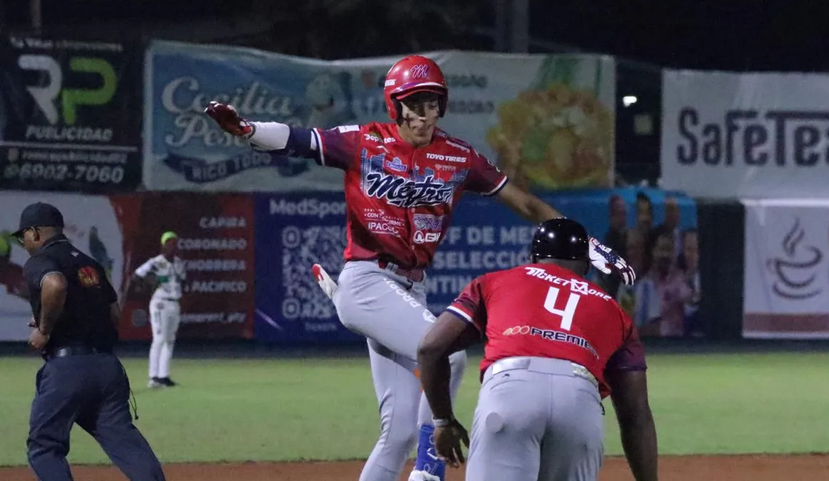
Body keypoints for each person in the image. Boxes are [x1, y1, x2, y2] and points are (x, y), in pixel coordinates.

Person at [205, 55, 636, 481]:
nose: (424, 113)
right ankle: (429, 473)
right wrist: (248, 130)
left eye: (432, 102)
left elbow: (523, 201)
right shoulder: (364, 141)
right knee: (445, 352)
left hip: (409, 290)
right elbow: (299, 138)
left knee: (395, 436)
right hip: (368, 278)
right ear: (395, 105)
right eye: (414, 102)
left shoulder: (457, 156)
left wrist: (588, 240)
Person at [417, 218, 658, 481]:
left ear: (533, 257)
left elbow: (430, 348)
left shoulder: (494, 282)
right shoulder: (614, 311)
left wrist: (442, 421)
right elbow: (636, 415)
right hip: (579, 404)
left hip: (510, 392)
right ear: (587, 265)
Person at [13, 202, 165, 481]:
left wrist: (45, 329)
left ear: (35, 232)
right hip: (107, 369)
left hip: (67, 369)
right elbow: (113, 314)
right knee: (125, 443)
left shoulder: (41, 260)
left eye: (23, 236)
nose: (23, 243)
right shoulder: (89, 262)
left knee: (44, 447)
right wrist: (63, 319)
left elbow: (55, 284)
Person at [134, 231, 186, 388]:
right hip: (160, 302)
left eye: (174, 243)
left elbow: (182, 281)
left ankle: (164, 376)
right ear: (163, 245)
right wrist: (151, 282)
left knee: (170, 340)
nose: (172, 246)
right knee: (159, 339)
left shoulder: (178, 263)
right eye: (169, 243)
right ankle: (153, 377)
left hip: (174, 302)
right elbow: (137, 276)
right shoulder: (156, 262)